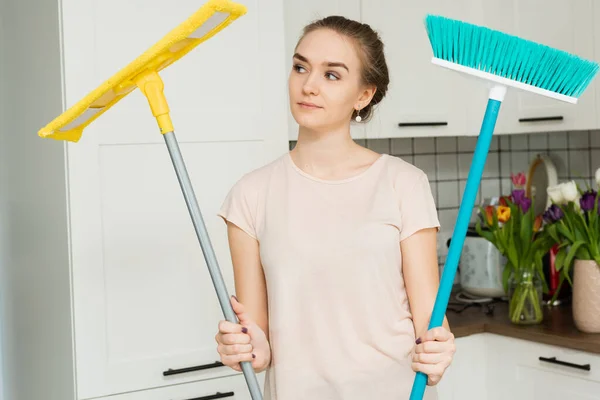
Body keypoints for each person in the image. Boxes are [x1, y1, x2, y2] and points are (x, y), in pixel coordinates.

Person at [215, 15, 455, 400]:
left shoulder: (403, 183)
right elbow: (259, 338)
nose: (308, 85)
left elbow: (430, 318)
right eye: (300, 67)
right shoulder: (250, 194)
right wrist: (246, 347)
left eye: (332, 75)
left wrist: (439, 347)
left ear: (364, 95)